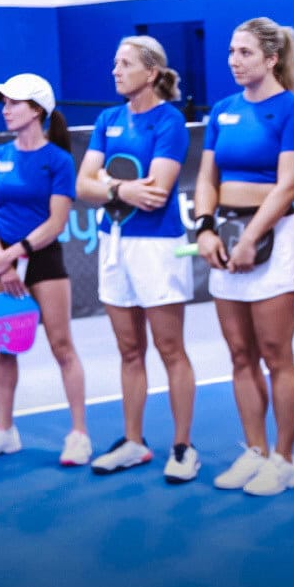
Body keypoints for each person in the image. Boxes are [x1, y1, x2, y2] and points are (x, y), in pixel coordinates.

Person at [192, 17, 294, 496]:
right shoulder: (223, 111)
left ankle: (285, 459)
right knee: (240, 354)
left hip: (275, 240)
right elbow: (206, 178)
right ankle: (256, 450)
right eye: (231, 51)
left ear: (271, 58)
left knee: (276, 354)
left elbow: (288, 186)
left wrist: (252, 238)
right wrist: (205, 228)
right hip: (225, 235)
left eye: (244, 52)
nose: (234, 61)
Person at [79, 36, 200, 481]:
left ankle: (183, 447)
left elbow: (157, 192)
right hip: (113, 243)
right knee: (129, 349)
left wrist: (108, 185)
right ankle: (133, 442)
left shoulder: (170, 121)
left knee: (170, 348)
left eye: (125, 64)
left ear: (151, 73)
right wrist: (121, 188)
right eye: (115, 63)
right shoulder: (107, 119)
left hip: (157, 248)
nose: (115, 70)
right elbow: (82, 185)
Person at [0, 73, 91, 465]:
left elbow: (57, 221)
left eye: (13, 103)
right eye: (3, 103)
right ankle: (4, 431)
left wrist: (15, 253)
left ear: (37, 110)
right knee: (3, 349)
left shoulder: (58, 161)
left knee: (62, 346)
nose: (5, 110)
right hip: (1, 263)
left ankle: (79, 434)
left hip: (43, 261)